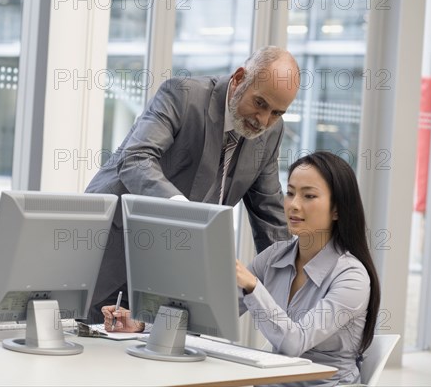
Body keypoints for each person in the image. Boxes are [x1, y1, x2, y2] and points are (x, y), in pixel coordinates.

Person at [87, 46, 300, 321]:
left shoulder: (271, 134)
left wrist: (290, 279)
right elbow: (137, 159)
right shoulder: (183, 95)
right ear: (238, 79)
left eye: (276, 113)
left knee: (156, 353)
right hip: (116, 248)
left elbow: (270, 216)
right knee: (89, 346)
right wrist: (182, 213)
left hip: (172, 270)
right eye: (260, 103)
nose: (263, 121)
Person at [235, 152, 381, 386]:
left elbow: (295, 343)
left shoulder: (352, 277)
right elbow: (219, 312)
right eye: (290, 193)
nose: (293, 205)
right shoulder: (274, 256)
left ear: (337, 210)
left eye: (309, 196)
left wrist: (252, 287)